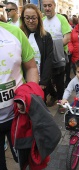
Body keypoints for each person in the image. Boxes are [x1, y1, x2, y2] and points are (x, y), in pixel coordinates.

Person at [0, 21, 38, 170]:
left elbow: (31, 68)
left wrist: (28, 96)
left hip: (17, 116)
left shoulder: (15, 33)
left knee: (24, 162)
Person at [20, 4, 53, 102]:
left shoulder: (46, 36)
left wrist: (44, 81)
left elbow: (49, 59)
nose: (30, 21)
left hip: (40, 80)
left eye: (33, 18)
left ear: (38, 18)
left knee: (39, 108)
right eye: (27, 18)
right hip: (22, 81)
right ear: (23, 19)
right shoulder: (19, 35)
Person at [42, 0, 71, 106]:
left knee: (59, 82)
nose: (47, 8)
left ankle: (61, 103)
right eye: (45, 6)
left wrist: (52, 48)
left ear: (54, 6)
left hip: (59, 55)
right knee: (46, 80)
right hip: (46, 57)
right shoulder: (42, 20)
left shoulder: (61, 19)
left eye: (49, 5)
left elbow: (67, 38)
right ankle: (54, 95)